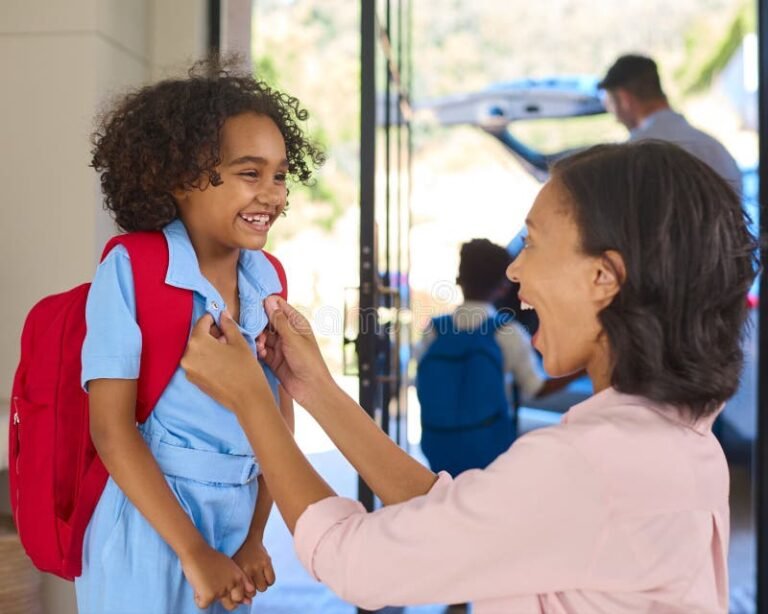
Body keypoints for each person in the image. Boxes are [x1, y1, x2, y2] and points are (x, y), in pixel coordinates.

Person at [182, 141, 757, 613]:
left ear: (604, 277)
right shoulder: (678, 440)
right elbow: (460, 511)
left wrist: (254, 401)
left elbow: (357, 562)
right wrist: (314, 389)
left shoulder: (587, 464)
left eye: (531, 242)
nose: (515, 268)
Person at [77, 59, 323, 613]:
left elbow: (276, 421)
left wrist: (256, 534)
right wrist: (191, 549)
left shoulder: (268, 281)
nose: (272, 195)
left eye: (281, 174)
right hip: (148, 525)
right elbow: (112, 432)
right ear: (181, 176)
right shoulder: (131, 268)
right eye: (249, 172)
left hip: (235, 527)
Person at [415, 238, 576, 476]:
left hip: (437, 446)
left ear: (459, 280)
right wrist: (584, 368)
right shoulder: (507, 333)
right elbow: (536, 388)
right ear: (504, 285)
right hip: (489, 451)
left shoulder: (435, 329)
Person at [599, 54, 742, 194]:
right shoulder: (714, 147)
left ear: (625, 99)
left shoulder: (631, 157)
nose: (615, 118)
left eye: (610, 103)